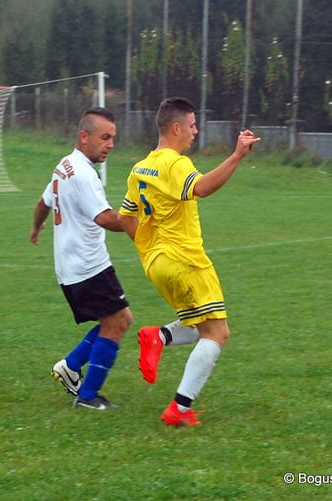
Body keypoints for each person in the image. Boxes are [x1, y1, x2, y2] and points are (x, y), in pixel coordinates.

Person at [118, 97, 259, 426]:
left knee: (202, 324)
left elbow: (125, 217)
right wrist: (237, 155)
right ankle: (179, 409)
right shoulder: (174, 163)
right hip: (185, 260)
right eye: (193, 125)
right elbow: (203, 187)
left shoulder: (140, 168)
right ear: (176, 127)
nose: (196, 132)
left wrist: (150, 250)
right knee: (218, 333)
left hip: (156, 264)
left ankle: (160, 337)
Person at [30, 107, 133, 410]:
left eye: (113, 138)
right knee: (118, 322)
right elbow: (106, 219)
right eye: (105, 137)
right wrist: (142, 226)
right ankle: (87, 397)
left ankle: (71, 366)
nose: (111, 144)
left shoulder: (65, 166)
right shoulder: (85, 175)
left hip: (71, 265)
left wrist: (36, 226)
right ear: (84, 137)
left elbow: (43, 202)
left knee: (116, 319)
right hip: (88, 266)